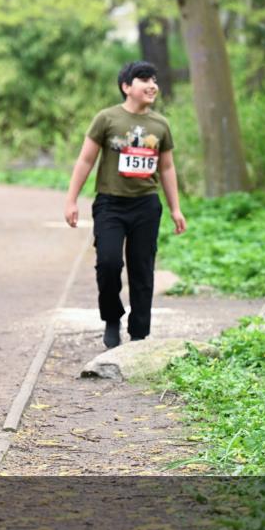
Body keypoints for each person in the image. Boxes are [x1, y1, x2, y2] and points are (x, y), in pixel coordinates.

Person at [64, 60, 186, 348]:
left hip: (146, 205)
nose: (152, 84)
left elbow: (167, 168)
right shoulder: (106, 119)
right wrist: (71, 199)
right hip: (110, 205)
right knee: (108, 263)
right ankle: (112, 318)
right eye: (144, 79)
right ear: (126, 86)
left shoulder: (160, 124)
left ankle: (140, 333)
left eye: (154, 79)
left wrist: (175, 208)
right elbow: (86, 159)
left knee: (142, 269)